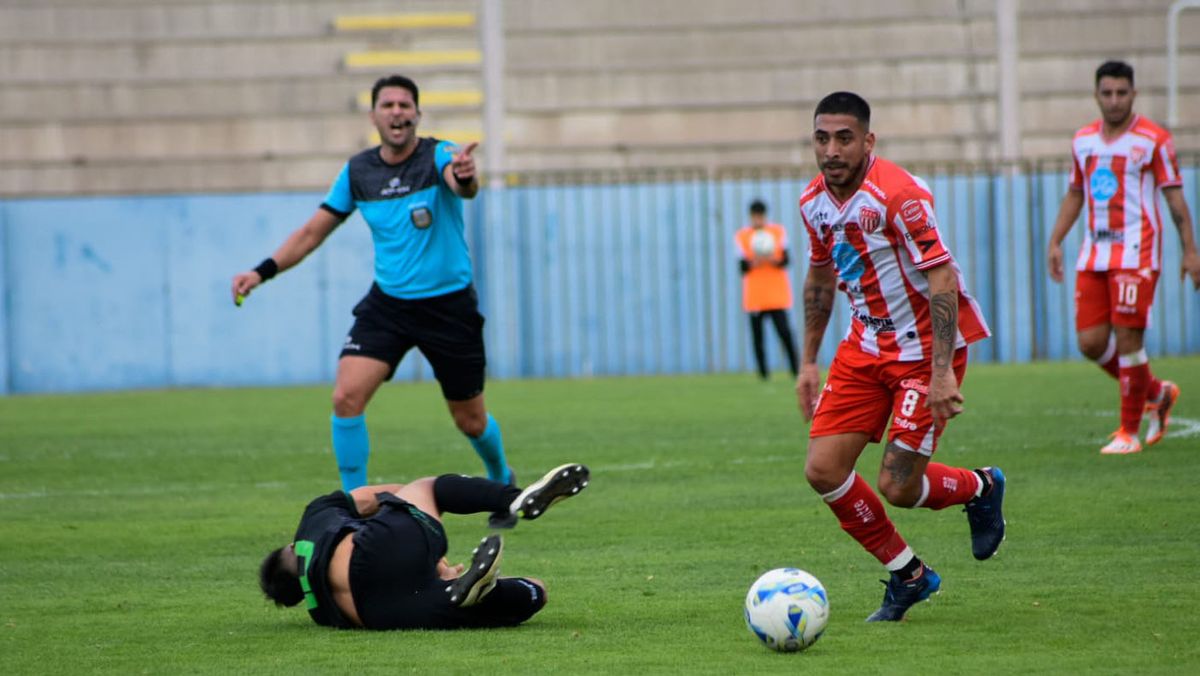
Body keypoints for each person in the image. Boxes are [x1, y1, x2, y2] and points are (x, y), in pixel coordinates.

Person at [231, 74, 517, 525]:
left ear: (417, 116)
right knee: (346, 396)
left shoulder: (438, 155)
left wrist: (465, 176)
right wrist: (259, 271)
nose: (397, 112)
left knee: (471, 420)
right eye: (389, 105)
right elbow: (310, 234)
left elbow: (462, 184)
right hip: (389, 306)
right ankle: (354, 507)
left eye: (406, 105)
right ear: (374, 116)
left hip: (448, 307)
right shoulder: (358, 172)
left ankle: (502, 480)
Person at [795, 92, 1006, 622]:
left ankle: (980, 486)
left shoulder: (899, 196)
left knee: (897, 486)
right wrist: (807, 362)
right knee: (822, 470)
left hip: (922, 355)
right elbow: (820, 277)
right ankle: (909, 574)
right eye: (822, 138)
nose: (832, 149)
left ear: (869, 141)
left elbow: (941, 277)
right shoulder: (811, 203)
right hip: (863, 349)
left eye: (844, 138)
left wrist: (939, 375)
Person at [1047, 60, 1200, 455]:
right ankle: (1157, 392)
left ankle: (1128, 433)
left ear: (1134, 94)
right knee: (1090, 342)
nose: (1114, 101)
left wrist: (1190, 251)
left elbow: (1175, 196)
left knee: (1129, 337)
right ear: (1096, 95)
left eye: (1122, 93)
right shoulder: (1083, 141)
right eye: (1107, 93)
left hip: (1136, 252)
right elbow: (1076, 193)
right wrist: (1056, 240)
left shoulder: (1153, 140)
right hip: (1094, 253)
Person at [258, 463, 590, 630]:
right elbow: (385, 495)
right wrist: (425, 535)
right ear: (291, 546)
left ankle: (457, 587)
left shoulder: (321, 614)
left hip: (385, 612)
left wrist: (431, 566)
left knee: (536, 590)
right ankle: (513, 499)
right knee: (428, 488)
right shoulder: (314, 519)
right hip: (373, 552)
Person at [734, 199, 800, 380]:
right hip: (755, 297)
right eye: (755, 216)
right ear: (751, 217)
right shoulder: (743, 236)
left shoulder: (778, 233)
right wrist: (754, 261)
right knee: (758, 338)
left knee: (785, 334)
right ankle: (763, 374)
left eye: (760, 216)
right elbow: (742, 267)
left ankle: (796, 370)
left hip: (777, 295)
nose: (758, 219)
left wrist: (772, 259)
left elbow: (786, 261)